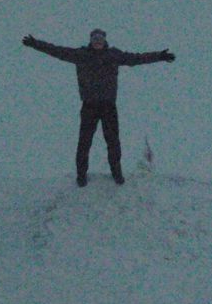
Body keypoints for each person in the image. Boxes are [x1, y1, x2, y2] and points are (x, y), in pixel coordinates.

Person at [23, 29, 175, 186]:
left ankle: (117, 174)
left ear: (104, 40)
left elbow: (136, 58)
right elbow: (56, 50)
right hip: (89, 106)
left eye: (100, 38)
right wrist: (35, 44)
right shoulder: (81, 55)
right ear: (90, 40)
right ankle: (81, 176)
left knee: (113, 143)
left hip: (109, 106)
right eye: (95, 38)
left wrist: (159, 56)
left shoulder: (113, 55)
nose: (97, 41)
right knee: (84, 142)